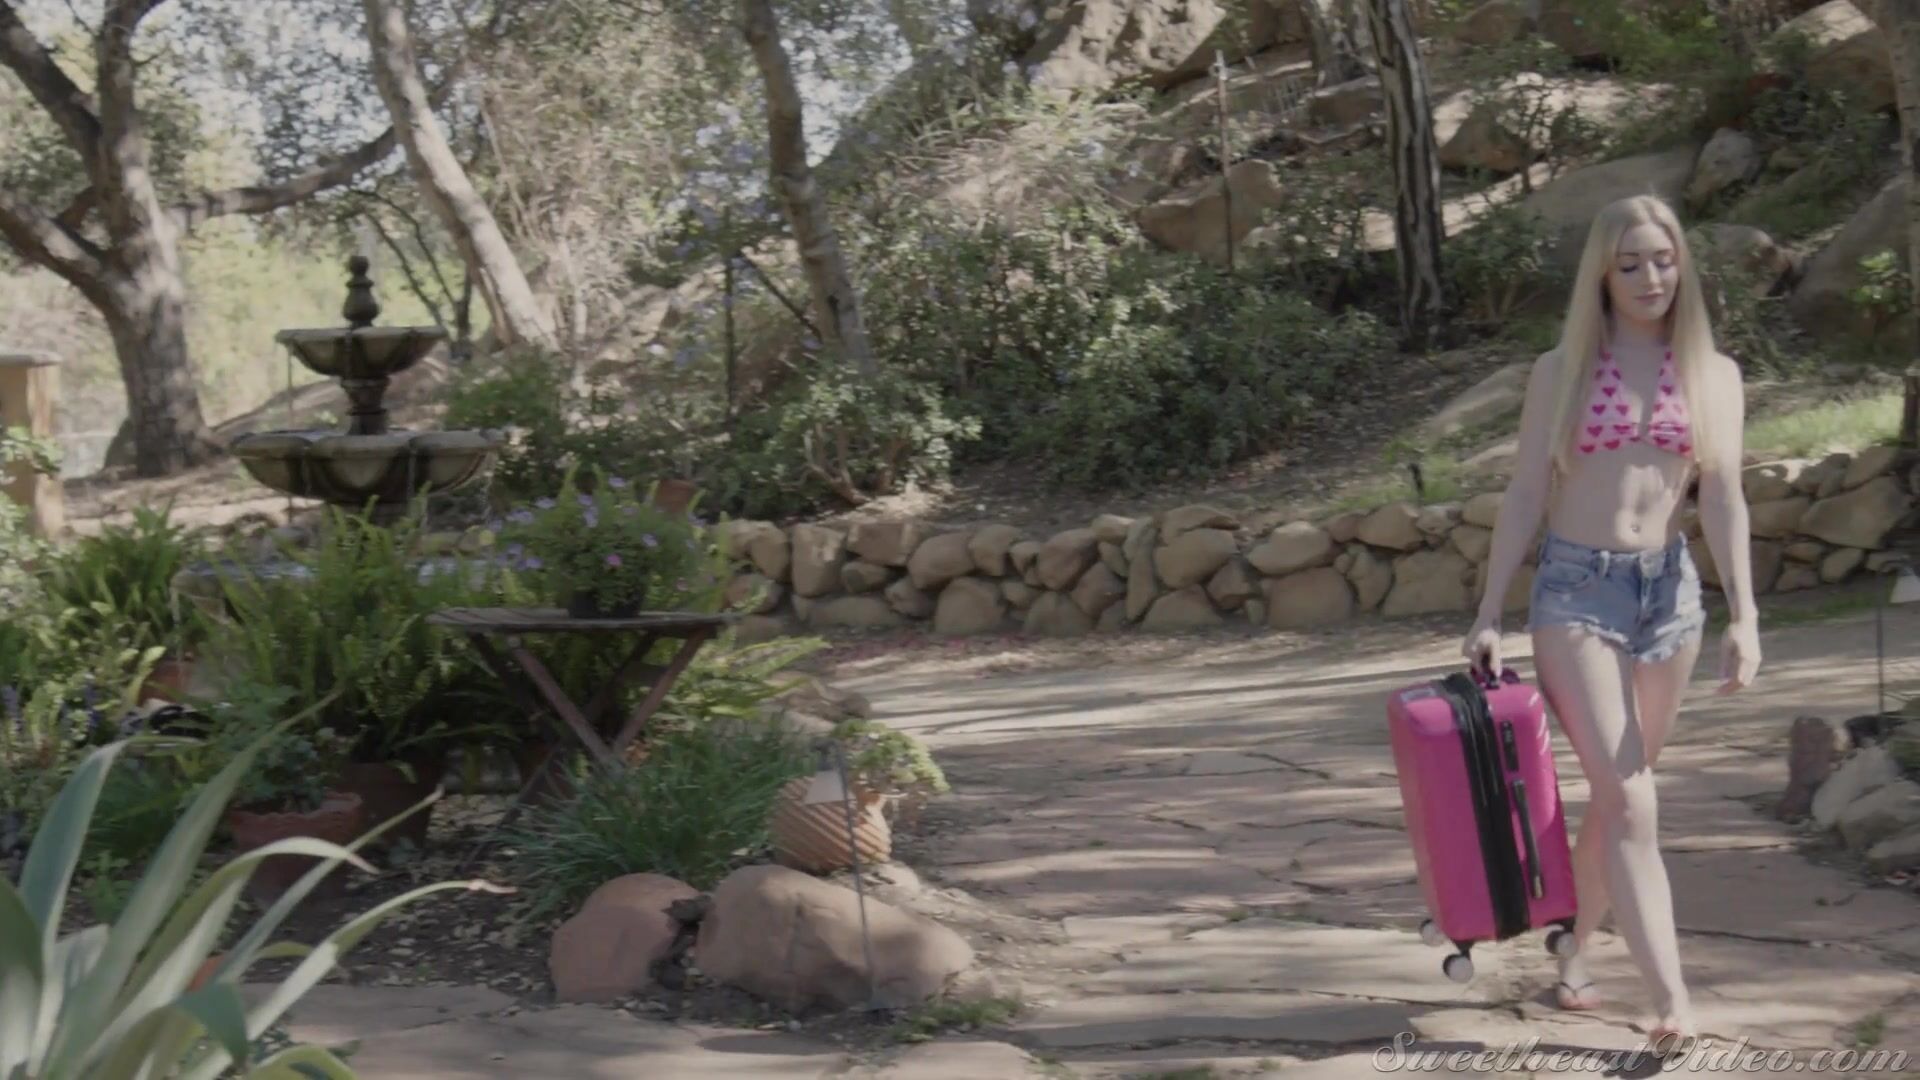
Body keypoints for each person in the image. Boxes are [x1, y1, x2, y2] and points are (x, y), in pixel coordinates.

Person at [1461, 193, 1761, 1052]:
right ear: (1601, 272)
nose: (1649, 278)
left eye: (1663, 260)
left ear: (1682, 265)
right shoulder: (1561, 370)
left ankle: (1576, 952)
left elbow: (1725, 498)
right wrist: (1488, 611)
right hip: (1576, 594)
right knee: (1632, 795)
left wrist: (1745, 615)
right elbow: (1526, 491)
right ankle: (1671, 1000)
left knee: (1618, 795)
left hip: (1669, 597)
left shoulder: (1714, 374)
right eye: (1629, 263)